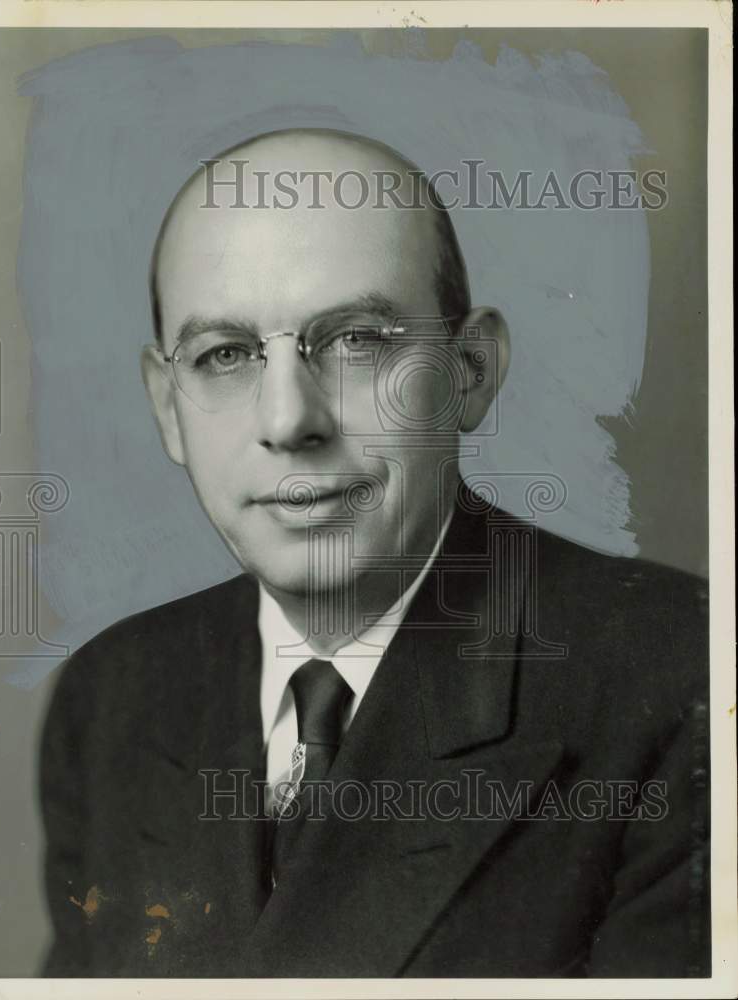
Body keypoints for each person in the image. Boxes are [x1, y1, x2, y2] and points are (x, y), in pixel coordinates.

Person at [39, 128, 709, 978]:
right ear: (169, 408)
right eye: (226, 355)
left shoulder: (683, 679)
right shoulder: (114, 694)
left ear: (469, 371)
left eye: (358, 340)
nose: (288, 422)